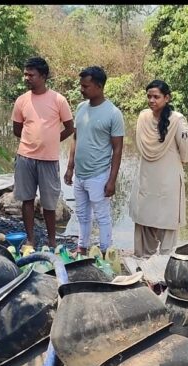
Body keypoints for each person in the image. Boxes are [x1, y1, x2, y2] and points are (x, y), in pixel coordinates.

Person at [12, 57, 74, 247]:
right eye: (25, 74)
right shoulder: (22, 100)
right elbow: (17, 129)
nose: (27, 78)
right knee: (27, 200)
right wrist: (31, 142)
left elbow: (70, 128)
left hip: (49, 159)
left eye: (31, 75)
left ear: (43, 76)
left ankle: (52, 240)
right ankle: (30, 239)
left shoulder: (58, 100)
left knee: (49, 203)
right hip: (25, 158)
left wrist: (52, 141)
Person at [64, 66, 124, 255]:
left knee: (102, 215)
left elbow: (118, 149)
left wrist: (112, 180)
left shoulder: (113, 113)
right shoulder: (81, 108)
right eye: (81, 85)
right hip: (80, 173)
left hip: (99, 174)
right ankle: (82, 248)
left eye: (85, 86)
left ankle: (106, 252)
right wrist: (70, 167)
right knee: (82, 214)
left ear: (99, 86)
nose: (81, 89)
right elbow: (75, 138)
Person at [129, 80, 188, 257]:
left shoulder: (176, 120)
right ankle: (154, 265)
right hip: (160, 181)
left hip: (152, 180)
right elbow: (186, 155)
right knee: (154, 222)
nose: (151, 100)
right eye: (149, 96)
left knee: (154, 221)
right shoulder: (146, 117)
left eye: (156, 97)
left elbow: (186, 153)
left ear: (167, 98)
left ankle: (153, 265)